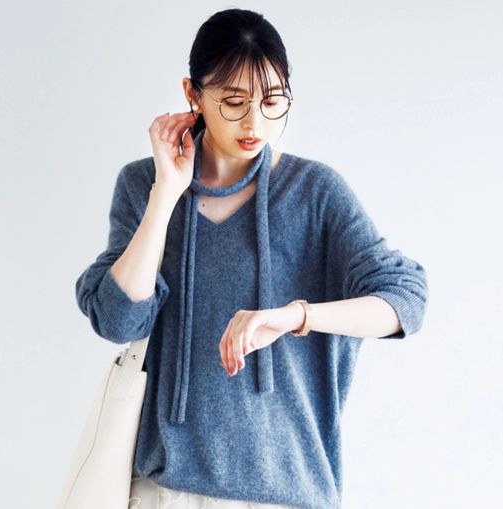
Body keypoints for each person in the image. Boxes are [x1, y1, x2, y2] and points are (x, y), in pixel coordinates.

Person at [75, 8, 429, 509]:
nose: (255, 122)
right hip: (163, 494)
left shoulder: (315, 193)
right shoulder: (143, 185)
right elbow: (118, 319)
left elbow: (405, 301)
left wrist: (296, 317)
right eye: (234, 102)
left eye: (272, 101)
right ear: (193, 94)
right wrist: (166, 193)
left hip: (286, 493)